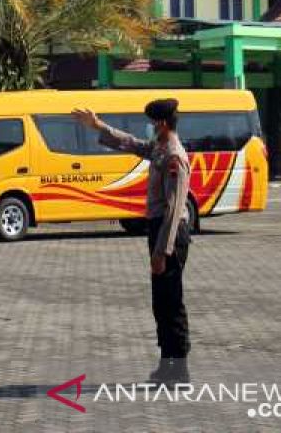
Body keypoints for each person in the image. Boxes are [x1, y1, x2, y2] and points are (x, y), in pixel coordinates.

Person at [72, 98, 192, 385]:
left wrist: (162, 251)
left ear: (162, 124)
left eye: (152, 123)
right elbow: (133, 143)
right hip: (159, 230)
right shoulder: (161, 149)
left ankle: (179, 370)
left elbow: (174, 210)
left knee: (171, 301)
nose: (149, 128)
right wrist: (98, 125)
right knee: (160, 302)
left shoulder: (174, 155)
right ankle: (167, 364)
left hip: (170, 235)